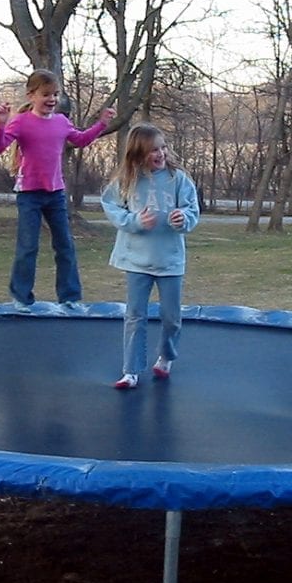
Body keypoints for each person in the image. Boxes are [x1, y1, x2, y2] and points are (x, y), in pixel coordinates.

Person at [0, 69, 116, 307]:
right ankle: (21, 297)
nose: (52, 99)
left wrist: (101, 124)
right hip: (29, 194)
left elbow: (80, 139)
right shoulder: (21, 121)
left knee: (65, 246)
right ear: (31, 96)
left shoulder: (61, 122)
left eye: (56, 94)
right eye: (46, 94)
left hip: (56, 193)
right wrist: (0, 125)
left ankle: (69, 297)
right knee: (28, 247)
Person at [101, 124, 200, 389]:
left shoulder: (177, 178)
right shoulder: (127, 180)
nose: (160, 154)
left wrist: (184, 218)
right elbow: (109, 205)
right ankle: (130, 371)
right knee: (135, 315)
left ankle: (166, 356)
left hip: (169, 260)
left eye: (162, 148)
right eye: (153, 150)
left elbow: (192, 210)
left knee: (171, 316)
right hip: (136, 260)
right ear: (138, 154)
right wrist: (134, 220)